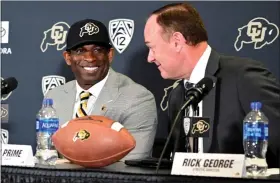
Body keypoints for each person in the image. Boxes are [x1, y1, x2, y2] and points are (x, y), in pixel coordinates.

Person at [144, 3, 280, 168]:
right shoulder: (178, 96)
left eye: (151, 47)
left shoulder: (244, 77)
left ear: (177, 41)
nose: (149, 58)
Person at [44, 19, 158, 160]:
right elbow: (46, 153)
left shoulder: (137, 98)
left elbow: (132, 163)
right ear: (68, 57)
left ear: (109, 55)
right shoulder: (55, 96)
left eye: (97, 50)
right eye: (80, 51)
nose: (90, 58)